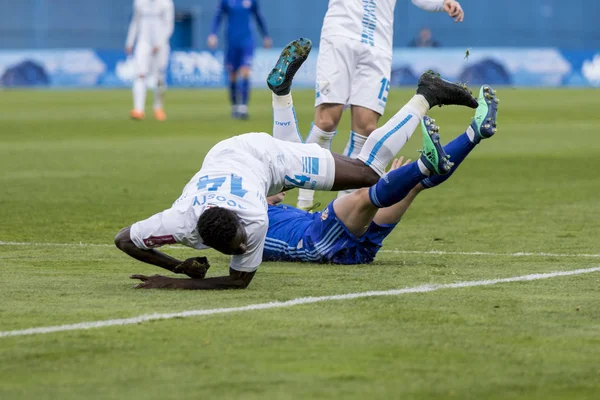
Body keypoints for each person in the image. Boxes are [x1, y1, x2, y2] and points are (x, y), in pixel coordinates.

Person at [116, 39, 477, 290]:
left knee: (368, 172)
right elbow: (125, 240)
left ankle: (426, 94)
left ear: (241, 224)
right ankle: (281, 95)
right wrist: (176, 264)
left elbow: (238, 281)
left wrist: (176, 278)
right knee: (287, 183)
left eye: (241, 242)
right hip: (229, 154)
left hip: (263, 159)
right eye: (238, 247)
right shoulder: (180, 220)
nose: (244, 248)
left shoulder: (252, 221)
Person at [264, 85, 498, 264]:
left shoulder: (262, 208)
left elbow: (285, 159)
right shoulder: (250, 214)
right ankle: (429, 158)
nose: (278, 189)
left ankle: (474, 133)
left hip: (351, 249)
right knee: (364, 195)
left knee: (412, 185)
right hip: (318, 242)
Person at [297, 0, 465, 210]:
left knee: (366, 127)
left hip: (378, 43)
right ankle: (303, 204)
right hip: (340, 34)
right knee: (327, 120)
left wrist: (442, 3)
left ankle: (340, 210)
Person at [208, 0, 272, 120]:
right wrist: (213, 34)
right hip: (232, 42)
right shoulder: (226, 1)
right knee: (232, 74)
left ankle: (243, 107)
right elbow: (218, 17)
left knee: (245, 71)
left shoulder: (251, 1)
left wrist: (266, 36)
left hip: (247, 41)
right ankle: (234, 106)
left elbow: (258, 16)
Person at [126, 0, 174, 121]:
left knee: (159, 78)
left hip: (161, 45)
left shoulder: (166, 4)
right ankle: (138, 109)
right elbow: (135, 22)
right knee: (140, 74)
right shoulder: (139, 2)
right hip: (143, 42)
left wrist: (160, 42)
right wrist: (130, 41)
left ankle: (158, 108)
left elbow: (169, 26)